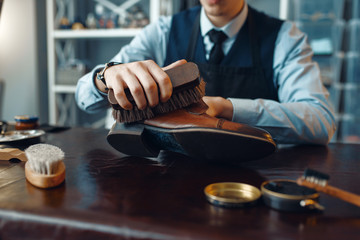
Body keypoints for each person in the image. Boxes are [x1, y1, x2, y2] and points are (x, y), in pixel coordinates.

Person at [76, 0, 336, 145]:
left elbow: (320, 120)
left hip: (256, 179)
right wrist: (104, 77)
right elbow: (84, 99)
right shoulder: (163, 31)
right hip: (167, 179)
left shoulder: (285, 38)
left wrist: (224, 108)